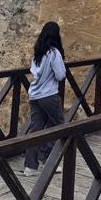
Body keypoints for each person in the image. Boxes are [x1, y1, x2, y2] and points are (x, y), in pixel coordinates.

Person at [21, 20, 67, 175]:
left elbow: (34, 72)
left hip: (34, 95)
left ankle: (30, 166)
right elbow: (60, 75)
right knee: (59, 126)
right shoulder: (54, 53)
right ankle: (46, 158)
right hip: (49, 95)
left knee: (36, 130)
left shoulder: (38, 53)